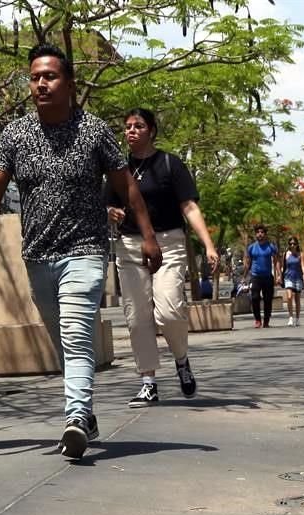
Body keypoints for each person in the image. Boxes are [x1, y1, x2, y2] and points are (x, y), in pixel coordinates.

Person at [0, 45, 162, 459]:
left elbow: (126, 185)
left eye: (50, 76)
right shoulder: (15, 134)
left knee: (77, 334)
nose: (41, 83)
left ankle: (75, 417)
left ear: (70, 84)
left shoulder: (93, 131)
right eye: (35, 77)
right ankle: (86, 414)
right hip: (38, 255)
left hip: (86, 249)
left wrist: (148, 235)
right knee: (64, 339)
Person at [105, 108, 218, 408]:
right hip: (130, 246)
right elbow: (107, 204)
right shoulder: (119, 168)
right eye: (127, 126)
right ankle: (148, 383)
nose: (131, 131)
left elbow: (189, 207)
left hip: (169, 244)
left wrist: (208, 245)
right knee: (137, 316)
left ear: (152, 131)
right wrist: (110, 212)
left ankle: (181, 359)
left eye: (138, 126)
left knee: (168, 310)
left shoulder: (170, 164)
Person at [242, 225, 280, 328]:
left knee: (268, 299)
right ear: (255, 234)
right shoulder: (252, 247)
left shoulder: (271, 247)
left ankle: (266, 321)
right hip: (255, 276)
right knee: (255, 298)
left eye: (262, 232)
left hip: (267, 277)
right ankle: (258, 320)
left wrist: (279, 275)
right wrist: (244, 277)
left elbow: (276, 261)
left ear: (265, 234)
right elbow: (248, 263)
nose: (260, 234)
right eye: (258, 232)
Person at [282, 236, 304, 326]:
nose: (292, 245)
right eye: (290, 244)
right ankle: (290, 317)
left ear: (297, 244)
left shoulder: (300, 254)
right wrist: (280, 276)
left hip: (298, 277)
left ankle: (297, 318)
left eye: (294, 244)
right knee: (289, 297)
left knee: (297, 299)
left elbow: (302, 265)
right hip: (288, 276)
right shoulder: (286, 254)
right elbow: (283, 266)